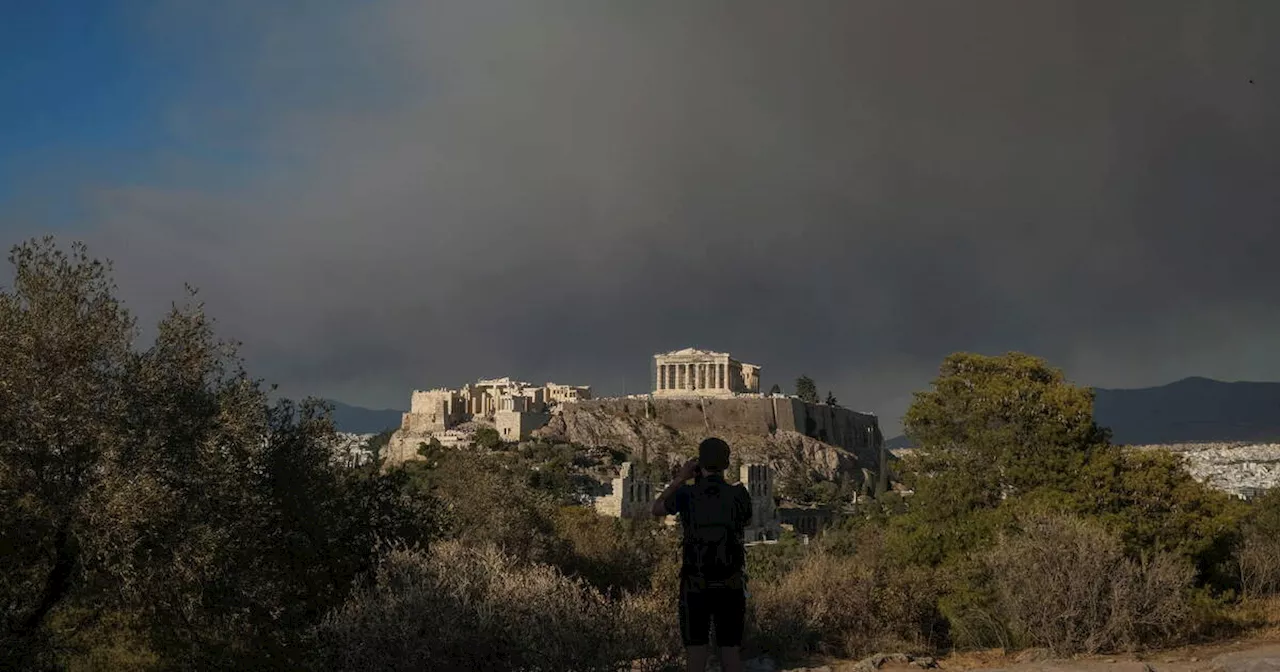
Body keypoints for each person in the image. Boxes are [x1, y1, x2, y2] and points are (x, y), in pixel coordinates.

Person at [651, 437, 753, 672]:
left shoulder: (687, 493)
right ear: (726, 464)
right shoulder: (739, 494)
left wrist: (681, 478)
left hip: (694, 582)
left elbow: (656, 508)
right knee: (730, 651)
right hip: (731, 582)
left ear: (699, 464)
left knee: (696, 652)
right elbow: (746, 521)